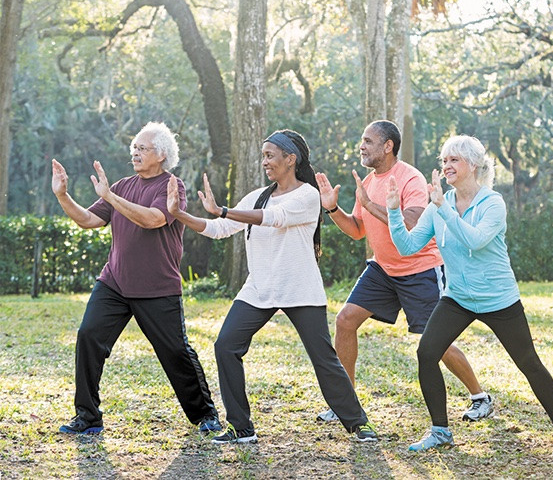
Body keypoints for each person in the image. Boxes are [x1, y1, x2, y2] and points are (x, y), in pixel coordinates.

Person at [166, 129, 377, 444]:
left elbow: (273, 218)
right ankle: (241, 427)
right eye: (263, 155)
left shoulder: (307, 195)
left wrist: (222, 209)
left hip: (300, 289)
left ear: (290, 159)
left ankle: (358, 423)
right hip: (259, 289)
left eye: (270, 155)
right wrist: (180, 214)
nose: (264, 161)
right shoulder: (257, 196)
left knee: (324, 358)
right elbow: (219, 228)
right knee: (226, 346)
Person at [386, 134, 553, 450]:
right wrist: (394, 212)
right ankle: (440, 431)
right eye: (444, 160)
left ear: (473, 165)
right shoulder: (440, 204)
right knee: (426, 352)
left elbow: (475, 241)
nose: (447, 166)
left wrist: (443, 207)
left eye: (454, 160)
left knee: (528, 362)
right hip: (459, 298)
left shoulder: (492, 203)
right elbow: (408, 246)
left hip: (498, 299)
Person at [314, 120, 493, 423]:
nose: (362, 146)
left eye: (368, 141)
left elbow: (411, 221)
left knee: (436, 341)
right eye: (363, 140)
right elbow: (358, 230)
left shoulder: (409, 177)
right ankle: (346, 403)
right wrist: (332, 209)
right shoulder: (368, 183)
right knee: (345, 320)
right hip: (383, 269)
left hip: (419, 269)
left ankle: (480, 397)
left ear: (388, 146)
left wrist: (370, 205)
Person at [52, 122, 221, 435]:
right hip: (114, 282)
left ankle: (205, 415)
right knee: (89, 336)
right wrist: (63, 196)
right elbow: (89, 220)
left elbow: (154, 220)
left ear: (161, 154)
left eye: (142, 148)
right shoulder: (122, 185)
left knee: (175, 352)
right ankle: (88, 416)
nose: (135, 152)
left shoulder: (172, 186)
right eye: (134, 147)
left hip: (157, 287)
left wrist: (111, 198)